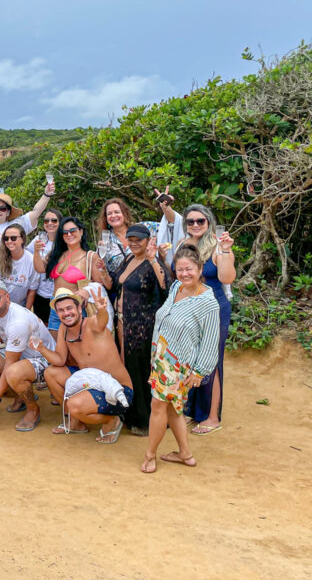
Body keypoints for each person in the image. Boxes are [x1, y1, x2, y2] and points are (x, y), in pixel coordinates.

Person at [142, 246, 221, 473]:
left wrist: (199, 372)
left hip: (178, 364)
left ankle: (149, 456)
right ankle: (185, 454)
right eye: (179, 269)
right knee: (173, 409)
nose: (184, 274)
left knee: (158, 406)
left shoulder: (208, 303)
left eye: (189, 269)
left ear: (200, 268)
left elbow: (210, 340)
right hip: (161, 357)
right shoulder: (176, 287)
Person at [158, 202, 235, 434]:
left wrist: (226, 251)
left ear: (208, 222)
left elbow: (227, 277)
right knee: (188, 359)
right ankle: (193, 411)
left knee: (211, 360)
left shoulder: (217, 246)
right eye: (190, 221)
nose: (195, 225)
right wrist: (162, 258)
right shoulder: (182, 243)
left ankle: (212, 416)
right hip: (186, 307)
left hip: (212, 308)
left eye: (200, 221)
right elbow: (176, 274)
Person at [36, 288, 132, 443]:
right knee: (51, 373)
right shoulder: (63, 329)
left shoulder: (93, 324)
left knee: (75, 405)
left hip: (117, 389)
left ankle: (112, 421)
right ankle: (76, 422)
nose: (66, 313)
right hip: (89, 382)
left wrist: (101, 309)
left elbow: (102, 320)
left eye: (69, 308)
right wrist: (41, 349)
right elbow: (60, 359)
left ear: (79, 308)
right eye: (61, 310)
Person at [110, 223, 170, 436]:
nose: (134, 243)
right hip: (122, 324)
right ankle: (131, 414)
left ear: (147, 241)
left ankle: (145, 420)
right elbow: (114, 284)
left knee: (141, 369)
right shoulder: (128, 259)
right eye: (131, 239)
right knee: (127, 367)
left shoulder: (152, 262)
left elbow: (166, 287)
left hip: (142, 327)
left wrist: (154, 258)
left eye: (139, 240)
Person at [0, 280, 57, 432]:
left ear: (7, 298)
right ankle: (20, 394)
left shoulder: (18, 321)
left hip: (45, 359)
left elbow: (10, 363)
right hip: (21, 354)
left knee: (13, 373)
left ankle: (33, 409)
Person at [33, 215, 110, 332]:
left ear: (81, 231)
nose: (69, 234)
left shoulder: (90, 256)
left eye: (73, 230)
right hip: (55, 306)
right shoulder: (56, 254)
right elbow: (40, 268)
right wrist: (36, 251)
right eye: (65, 232)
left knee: (76, 346)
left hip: (75, 307)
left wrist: (86, 290)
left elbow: (100, 284)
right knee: (57, 346)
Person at [0, 180, 55, 256]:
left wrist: (46, 194)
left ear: (8, 212)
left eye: (2, 208)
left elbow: (36, 212)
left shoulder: (15, 226)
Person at [0, 223, 41, 309]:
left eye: (13, 238)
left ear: (22, 239)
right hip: (1, 305)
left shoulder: (31, 261)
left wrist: (26, 311)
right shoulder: (1, 258)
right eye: (6, 238)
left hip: (20, 307)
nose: (9, 241)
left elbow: (32, 291)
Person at [29, 207, 63, 324]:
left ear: (60, 222)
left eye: (54, 220)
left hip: (60, 293)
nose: (50, 223)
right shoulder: (39, 239)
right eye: (46, 221)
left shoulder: (65, 241)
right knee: (43, 327)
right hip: (41, 293)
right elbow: (27, 256)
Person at [95, 197, 137, 275]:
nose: (113, 216)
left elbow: (164, 226)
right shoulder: (105, 240)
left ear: (124, 213)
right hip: (119, 284)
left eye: (117, 212)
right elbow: (100, 269)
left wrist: (165, 206)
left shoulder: (139, 230)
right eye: (109, 213)